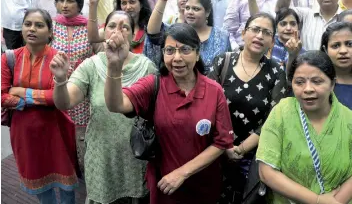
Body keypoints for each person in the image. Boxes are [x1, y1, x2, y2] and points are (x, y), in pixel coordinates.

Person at [104, 23, 234, 204]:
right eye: (170, 50)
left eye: (185, 50)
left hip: (204, 188)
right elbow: (116, 104)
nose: (177, 57)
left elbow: (222, 143)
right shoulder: (154, 85)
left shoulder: (214, 91)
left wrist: (182, 172)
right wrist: (114, 66)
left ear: (197, 54)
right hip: (164, 188)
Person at [50, 10, 156, 204]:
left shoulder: (146, 67)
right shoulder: (91, 65)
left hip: (136, 154)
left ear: (133, 35)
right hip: (102, 152)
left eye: (125, 27)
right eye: (112, 26)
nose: (118, 31)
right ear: (104, 31)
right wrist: (60, 79)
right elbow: (64, 102)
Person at [208, 12, 287, 204]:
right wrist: (225, 146)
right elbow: (208, 107)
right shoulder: (222, 61)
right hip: (216, 151)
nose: (260, 36)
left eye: (266, 33)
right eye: (255, 29)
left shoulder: (276, 71)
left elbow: (274, 119)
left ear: (272, 41)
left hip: (254, 157)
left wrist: (241, 149)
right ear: (243, 33)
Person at [1, 9, 78, 203]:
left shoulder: (59, 59)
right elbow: (2, 96)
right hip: (24, 132)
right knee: (42, 188)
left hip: (56, 129)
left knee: (66, 184)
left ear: (50, 32)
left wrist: (20, 92)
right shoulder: (9, 58)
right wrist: (33, 100)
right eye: (28, 24)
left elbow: (57, 98)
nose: (32, 29)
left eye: (39, 25)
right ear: (22, 29)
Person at [257, 51, 352, 204]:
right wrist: (318, 200)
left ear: (332, 84)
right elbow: (266, 172)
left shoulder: (348, 120)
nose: (308, 89)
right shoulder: (281, 112)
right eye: (300, 82)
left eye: (317, 81)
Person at [51, 0, 99, 175]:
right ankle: (65, 166)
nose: (64, 5)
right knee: (60, 131)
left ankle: (85, 168)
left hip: (83, 90)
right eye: (61, 0)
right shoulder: (52, 25)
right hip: (58, 86)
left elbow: (100, 51)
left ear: (79, 4)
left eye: (70, 1)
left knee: (83, 134)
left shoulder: (89, 26)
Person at [147, 0, 231, 72]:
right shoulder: (177, 32)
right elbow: (153, 32)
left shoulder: (222, 36)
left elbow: (227, 67)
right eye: (187, 8)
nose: (190, 12)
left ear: (207, 12)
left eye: (196, 9)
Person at [87, 0, 153, 55]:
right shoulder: (112, 27)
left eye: (132, 2)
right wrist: (93, 4)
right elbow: (92, 38)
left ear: (141, 4)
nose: (128, 7)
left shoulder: (150, 27)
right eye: (124, 3)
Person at [320, 22, 352, 110]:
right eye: (336, 46)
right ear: (325, 49)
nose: (343, 51)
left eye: (349, 44)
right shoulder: (315, 82)